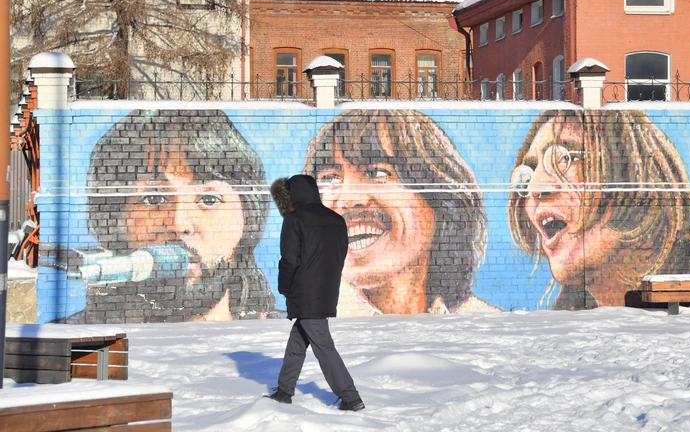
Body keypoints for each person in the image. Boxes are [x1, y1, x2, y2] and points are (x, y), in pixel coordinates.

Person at [507, 110, 690, 309]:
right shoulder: (574, 333)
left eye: (564, 157)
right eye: (527, 173)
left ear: (635, 175)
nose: (534, 188)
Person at [74, 109, 274, 323]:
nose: (179, 224)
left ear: (249, 217)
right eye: (154, 200)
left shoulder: (280, 337)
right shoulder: (73, 343)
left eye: (209, 200)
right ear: (113, 220)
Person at [303, 109, 492, 316]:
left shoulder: (484, 325)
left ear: (440, 201)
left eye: (376, 173)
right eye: (330, 178)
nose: (350, 199)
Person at [267, 174, 364, 411]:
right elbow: (340, 256)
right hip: (326, 290)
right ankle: (284, 390)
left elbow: (289, 259)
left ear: (293, 194)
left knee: (323, 345)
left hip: (304, 291)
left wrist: (284, 287)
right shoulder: (336, 220)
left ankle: (351, 397)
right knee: (298, 341)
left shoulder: (294, 220)